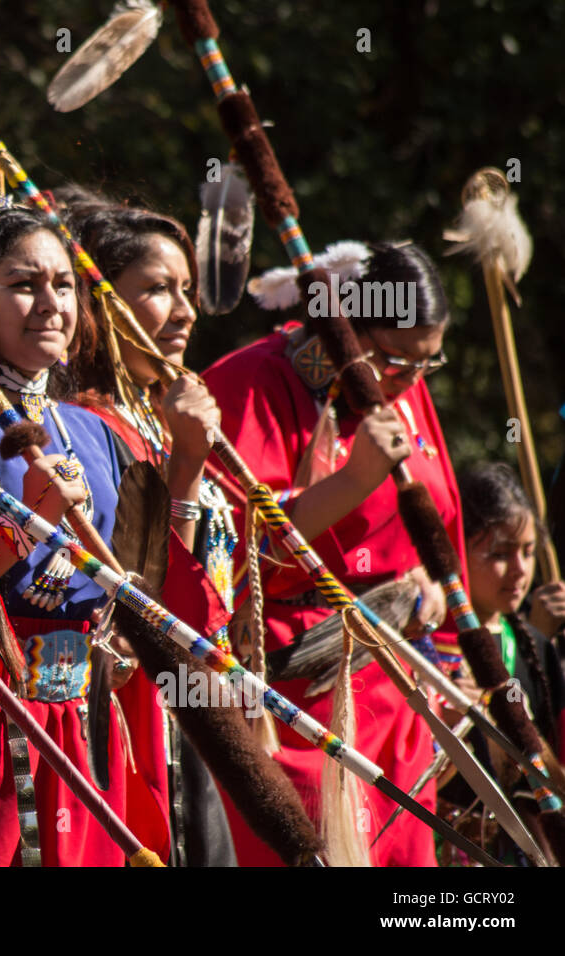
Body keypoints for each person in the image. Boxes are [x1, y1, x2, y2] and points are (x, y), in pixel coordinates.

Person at [0, 201, 169, 866]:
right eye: (24, 284)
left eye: (63, 284)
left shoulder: (101, 434)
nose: (50, 302)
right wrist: (28, 533)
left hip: (83, 726)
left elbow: (132, 578)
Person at [203, 239, 460, 866]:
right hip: (295, 686)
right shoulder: (255, 379)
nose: (410, 380)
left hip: (395, 679)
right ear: (347, 329)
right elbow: (231, 550)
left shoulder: (399, 382)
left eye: (429, 363)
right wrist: (352, 482)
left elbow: (440, 516)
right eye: (398, 360)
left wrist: (433, 595)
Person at [59, 192, 237, 865]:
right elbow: (146, 601)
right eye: (160, 289)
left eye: (187, 289)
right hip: (136, 714)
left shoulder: (150, 419)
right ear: (100, 301)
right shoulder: (84, 428)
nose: (186, 312)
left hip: (196, 703)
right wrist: (186, 466)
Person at [439, 462, 565, 864]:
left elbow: (553, 779)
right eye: (500, 553)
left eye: (528, 551)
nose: (521, 569)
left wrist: (521, 731)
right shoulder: (431, 648)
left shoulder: (535, 648)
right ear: (457, 547)